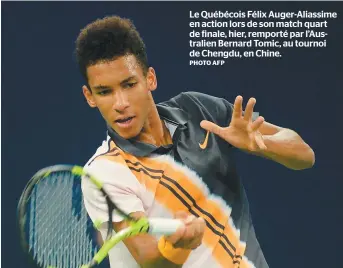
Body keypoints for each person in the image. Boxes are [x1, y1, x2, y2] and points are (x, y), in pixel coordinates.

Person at [75, 15, 315, 268]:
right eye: (105, 92)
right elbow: (148, 259)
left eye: (129, 84)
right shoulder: (105, 171)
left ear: (150, 79)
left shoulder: (198, 110)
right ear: (89, 96)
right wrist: (178, 244)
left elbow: (305, 156)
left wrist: (264, 146)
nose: (120, 103)